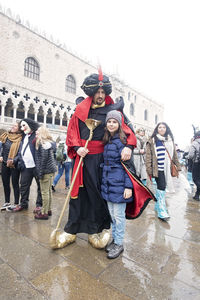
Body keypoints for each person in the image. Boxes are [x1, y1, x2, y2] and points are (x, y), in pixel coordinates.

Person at [50, 71, 154, 250]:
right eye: (97, 92)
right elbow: (72, 132)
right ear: (92, 93)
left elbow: (128, 131)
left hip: (100, 160)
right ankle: (71, 230)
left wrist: (128, 147)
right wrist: (76, 148)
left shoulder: (114, 111)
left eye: (103, 92)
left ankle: (95, 230)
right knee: (77, 195)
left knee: (96, 195)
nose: (100, 96)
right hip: (81, 158)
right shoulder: (81, 109)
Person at [101, 110, 134, 259]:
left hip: (120, 185)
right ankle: (114, 240)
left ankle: (119, 243)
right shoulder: (107, 141)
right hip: (108, 184)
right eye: (109, 121)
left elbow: (129, 166)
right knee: (113, 216)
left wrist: (128, 187)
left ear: (119, 124)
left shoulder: (122, 142)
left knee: (119, 217)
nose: (111, 124)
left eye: (114, 122)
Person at [146, 122, 181, 221]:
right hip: (158, 169)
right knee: (162, 186)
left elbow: (174, 155)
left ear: (166, 129)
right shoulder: (152, 140)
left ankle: (158, 205)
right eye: (159, 127)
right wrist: (149, 170)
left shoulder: (170, 140)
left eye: (163, 127)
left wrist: (177, 166)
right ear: (157, 129)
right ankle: (162, 209)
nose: (161, 129)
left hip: (167, 168)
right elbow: (148, 156)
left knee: (162, 187)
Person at [13, 118, 42, 212]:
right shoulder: (24, 137)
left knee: (40, 186)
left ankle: (39, 205)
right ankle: (23, 203)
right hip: (26, 166)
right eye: (21, 126)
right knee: (24, 186)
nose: (22, 128)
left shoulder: (37, 135)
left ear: (30, 124)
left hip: (36, 166)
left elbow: (50, 144)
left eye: (24, 125)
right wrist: (16, 159)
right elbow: (21, 151)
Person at [34, 126, 57, 219]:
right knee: (48, 191)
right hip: (51, 170)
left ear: (42, 133)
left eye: (38, 131)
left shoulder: (43, 144)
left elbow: (43, 160)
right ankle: (48, 209)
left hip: (46, 171)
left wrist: (40, 173)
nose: (36, 132)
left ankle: (44, 213)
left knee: (44, 192)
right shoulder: (48, 143)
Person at [0, 122, 22, 211]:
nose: (12, 126)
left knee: (15, 183)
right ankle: (7, 201)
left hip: (14, 165)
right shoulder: (6, 136)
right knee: (5, 183)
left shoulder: (20, 139)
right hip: (5, 163)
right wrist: (0, 155)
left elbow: (20, 153)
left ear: (18, 128)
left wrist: (14, 160)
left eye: (15, 126)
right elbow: (2, 148)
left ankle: (16, 203)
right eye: (12, 125)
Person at [188, 131, 200, 200]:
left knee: (195, 179)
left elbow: (191, 155)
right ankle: (197, 195)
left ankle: (197, 195)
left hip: (197, 163)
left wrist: (188, 157)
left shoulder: (194, 143)